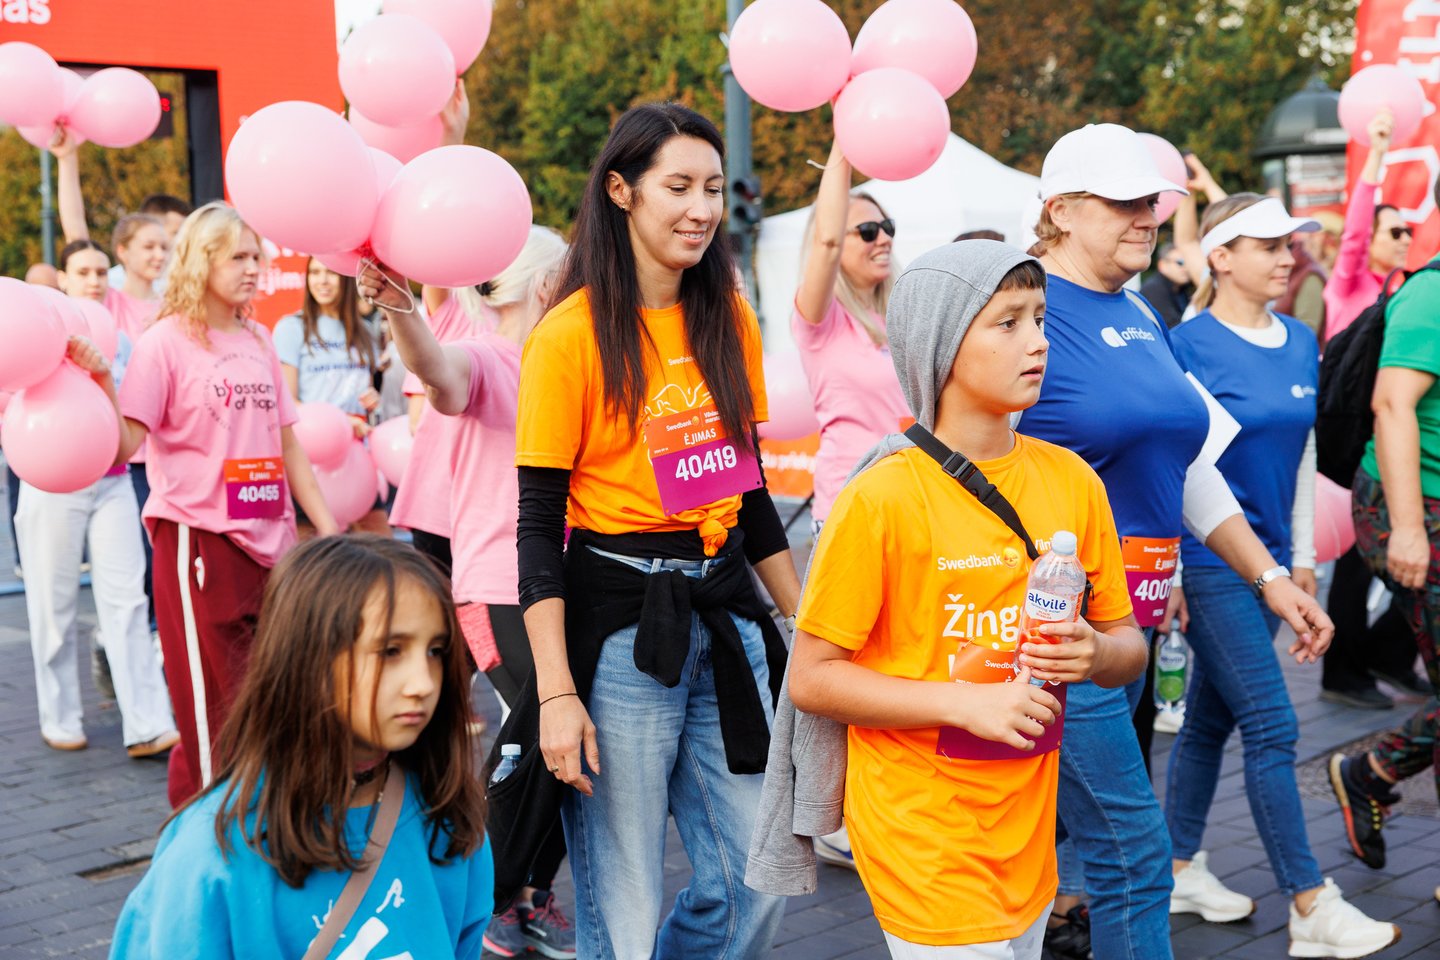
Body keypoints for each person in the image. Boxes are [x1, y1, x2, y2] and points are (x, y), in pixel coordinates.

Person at [1020, 122, 1334, 960]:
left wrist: (1272, 579)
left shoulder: (1139, 313)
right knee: (1132, 853)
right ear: (1058, 209)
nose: (1144, 217)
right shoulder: (1025, 309)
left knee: (1054, 853)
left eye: (1150, 203)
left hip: (1131, 629)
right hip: (1055, 636)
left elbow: (1190, 467)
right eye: (1119, 202)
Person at [787, 240, 1147, 959]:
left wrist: (1097, 652)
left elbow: (1129, 647)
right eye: (1008, 322)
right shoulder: (882, 497)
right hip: (921, 833)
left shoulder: (1073, 481)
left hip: (1026, 838)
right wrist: (962, 704)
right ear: (942, 344)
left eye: (1040, 318)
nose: (1039, 341)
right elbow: (812, 679)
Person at [511, 102, 799, 958]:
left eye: (713, 188)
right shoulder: (569, 337)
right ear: (621, 192)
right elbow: (536, 529)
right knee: (624, 904)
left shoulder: (728, 318)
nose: (701, 208)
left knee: (758, 882)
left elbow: (746, 494)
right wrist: (558, 693)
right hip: (620, 634)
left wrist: (810, 626)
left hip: (724, 612)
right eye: (677, 186)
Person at [1166, 194, 1400, 955]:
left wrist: (1300, 560)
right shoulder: (1184, 344)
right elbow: (1172, 466)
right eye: (1265, 246)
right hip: (1208, 561)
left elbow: (1299, 458)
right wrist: (1167, 570)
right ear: (1220, 257)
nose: (1284, 258)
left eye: (1288, 245)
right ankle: (1309, 904)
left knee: (1208, 720)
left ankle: (1175, 864)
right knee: (1271, 724)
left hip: (1275, 565)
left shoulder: (1302, 338)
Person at [108, 534, 493, 957]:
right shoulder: (215, 851)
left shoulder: (447, 818)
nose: (423, 683)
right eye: (390, 651)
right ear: (309, 657)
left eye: (436, 650)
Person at [75, 202, 338, 808]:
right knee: (213, 704)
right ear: (202, 260)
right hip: (198, 540)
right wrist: (100, 382)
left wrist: (326, 528)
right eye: (238, 257)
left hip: (273, 542)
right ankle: (213, 829)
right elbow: (126, 444)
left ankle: (223, 815)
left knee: (269, 692)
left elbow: (287, 440)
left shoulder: (258, 338)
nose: (253, 269)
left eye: (256, 256)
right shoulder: (163, 342)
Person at [361, 226, 577, 959]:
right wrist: (399, 309)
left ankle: (526, 898)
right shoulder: (488, 356)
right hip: (496, 588)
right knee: (541, 740)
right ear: (547, 287)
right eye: (571, 274)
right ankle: (476, 897)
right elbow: (440, 373)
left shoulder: (571, 361)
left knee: (570, 749)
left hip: (561, 585)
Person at [16, 239, 178, 758]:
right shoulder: (29, 333)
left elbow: (124, 417)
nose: (92, 279)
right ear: (62, 278)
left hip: (111, 476)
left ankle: (147, 722)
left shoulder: (119, 338)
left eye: (98, 271)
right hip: (49, 481)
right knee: (52, 601)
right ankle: (59, 715)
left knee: (127, 600)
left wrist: (100, 371)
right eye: (81, 271)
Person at [1329, 173, 1440, 890]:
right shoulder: (1433, 291)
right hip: (1412, 506)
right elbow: (1393, 407)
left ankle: (1370, 770)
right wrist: (1407, 530)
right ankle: (1369, 770)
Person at [793, 142, 909, 531]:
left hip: (911, 500)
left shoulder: (901, 312)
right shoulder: (819, 319)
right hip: (851, 506)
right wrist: (844, 141)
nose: (884, 239)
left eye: (887, 227)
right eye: (867, 231)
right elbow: (826, 244)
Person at [274, 258, 388, 536]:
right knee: (310, 550)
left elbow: (366, 392)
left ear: (346, 280)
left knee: (378, 542)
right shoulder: (291, 328)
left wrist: (373, 399)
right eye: (314, 273)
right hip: (310, 457)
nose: (321, 281)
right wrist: (339, 422)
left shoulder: (365, 332)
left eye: (330, 273)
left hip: (355, 458)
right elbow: (288, 403)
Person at [1140, 242, 1193, 328]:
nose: (1186, 268)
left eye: (1189, 263)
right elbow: (1173, 328)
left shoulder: (1180, 290)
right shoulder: (1154, 290)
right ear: (1162, 265)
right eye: (1180, 263)